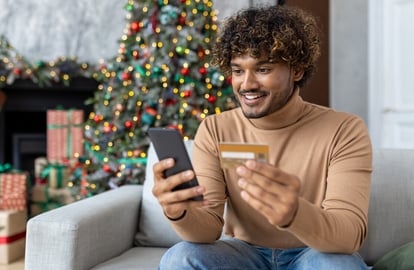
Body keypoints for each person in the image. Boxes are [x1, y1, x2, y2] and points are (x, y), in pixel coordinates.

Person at [152, 4, 373, 270]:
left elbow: (349, 235)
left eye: (263, 69)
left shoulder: (344, 130)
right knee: (180, 258)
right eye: (237, 70)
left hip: (314, 253)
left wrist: (295, 213)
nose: (246, 84)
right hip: (243, 253)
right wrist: (178, 211)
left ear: (297, 70)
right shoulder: (215, 129)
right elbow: (206, 230)